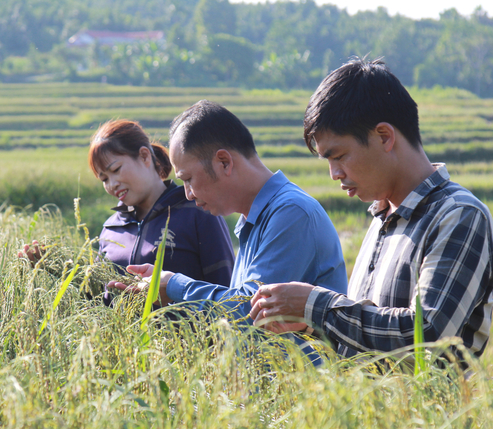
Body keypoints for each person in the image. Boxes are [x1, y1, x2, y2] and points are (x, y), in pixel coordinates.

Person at [249, 58, 493, 363]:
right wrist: (314, 325)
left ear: (384, 137)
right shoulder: (382, 218)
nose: (334, 173)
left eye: (338, 156)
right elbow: (371, 340)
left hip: (429, 411)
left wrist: (315, 306)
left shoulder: (458, 215)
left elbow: (426, 336)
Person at [110, 101, 348, 324]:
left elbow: (249, 313)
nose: (188, 194)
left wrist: (173, 284)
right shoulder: (254, 219)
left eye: (189, 179)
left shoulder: (291, 214)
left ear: (224, 162)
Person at [21, 119, 235, 296]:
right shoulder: (111, 228)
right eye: (104, 179)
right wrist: (54, 267)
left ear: (144, 156)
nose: (111, 184)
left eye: (116, 169)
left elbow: (225, 293)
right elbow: (96, 295)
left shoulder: (197, 213)